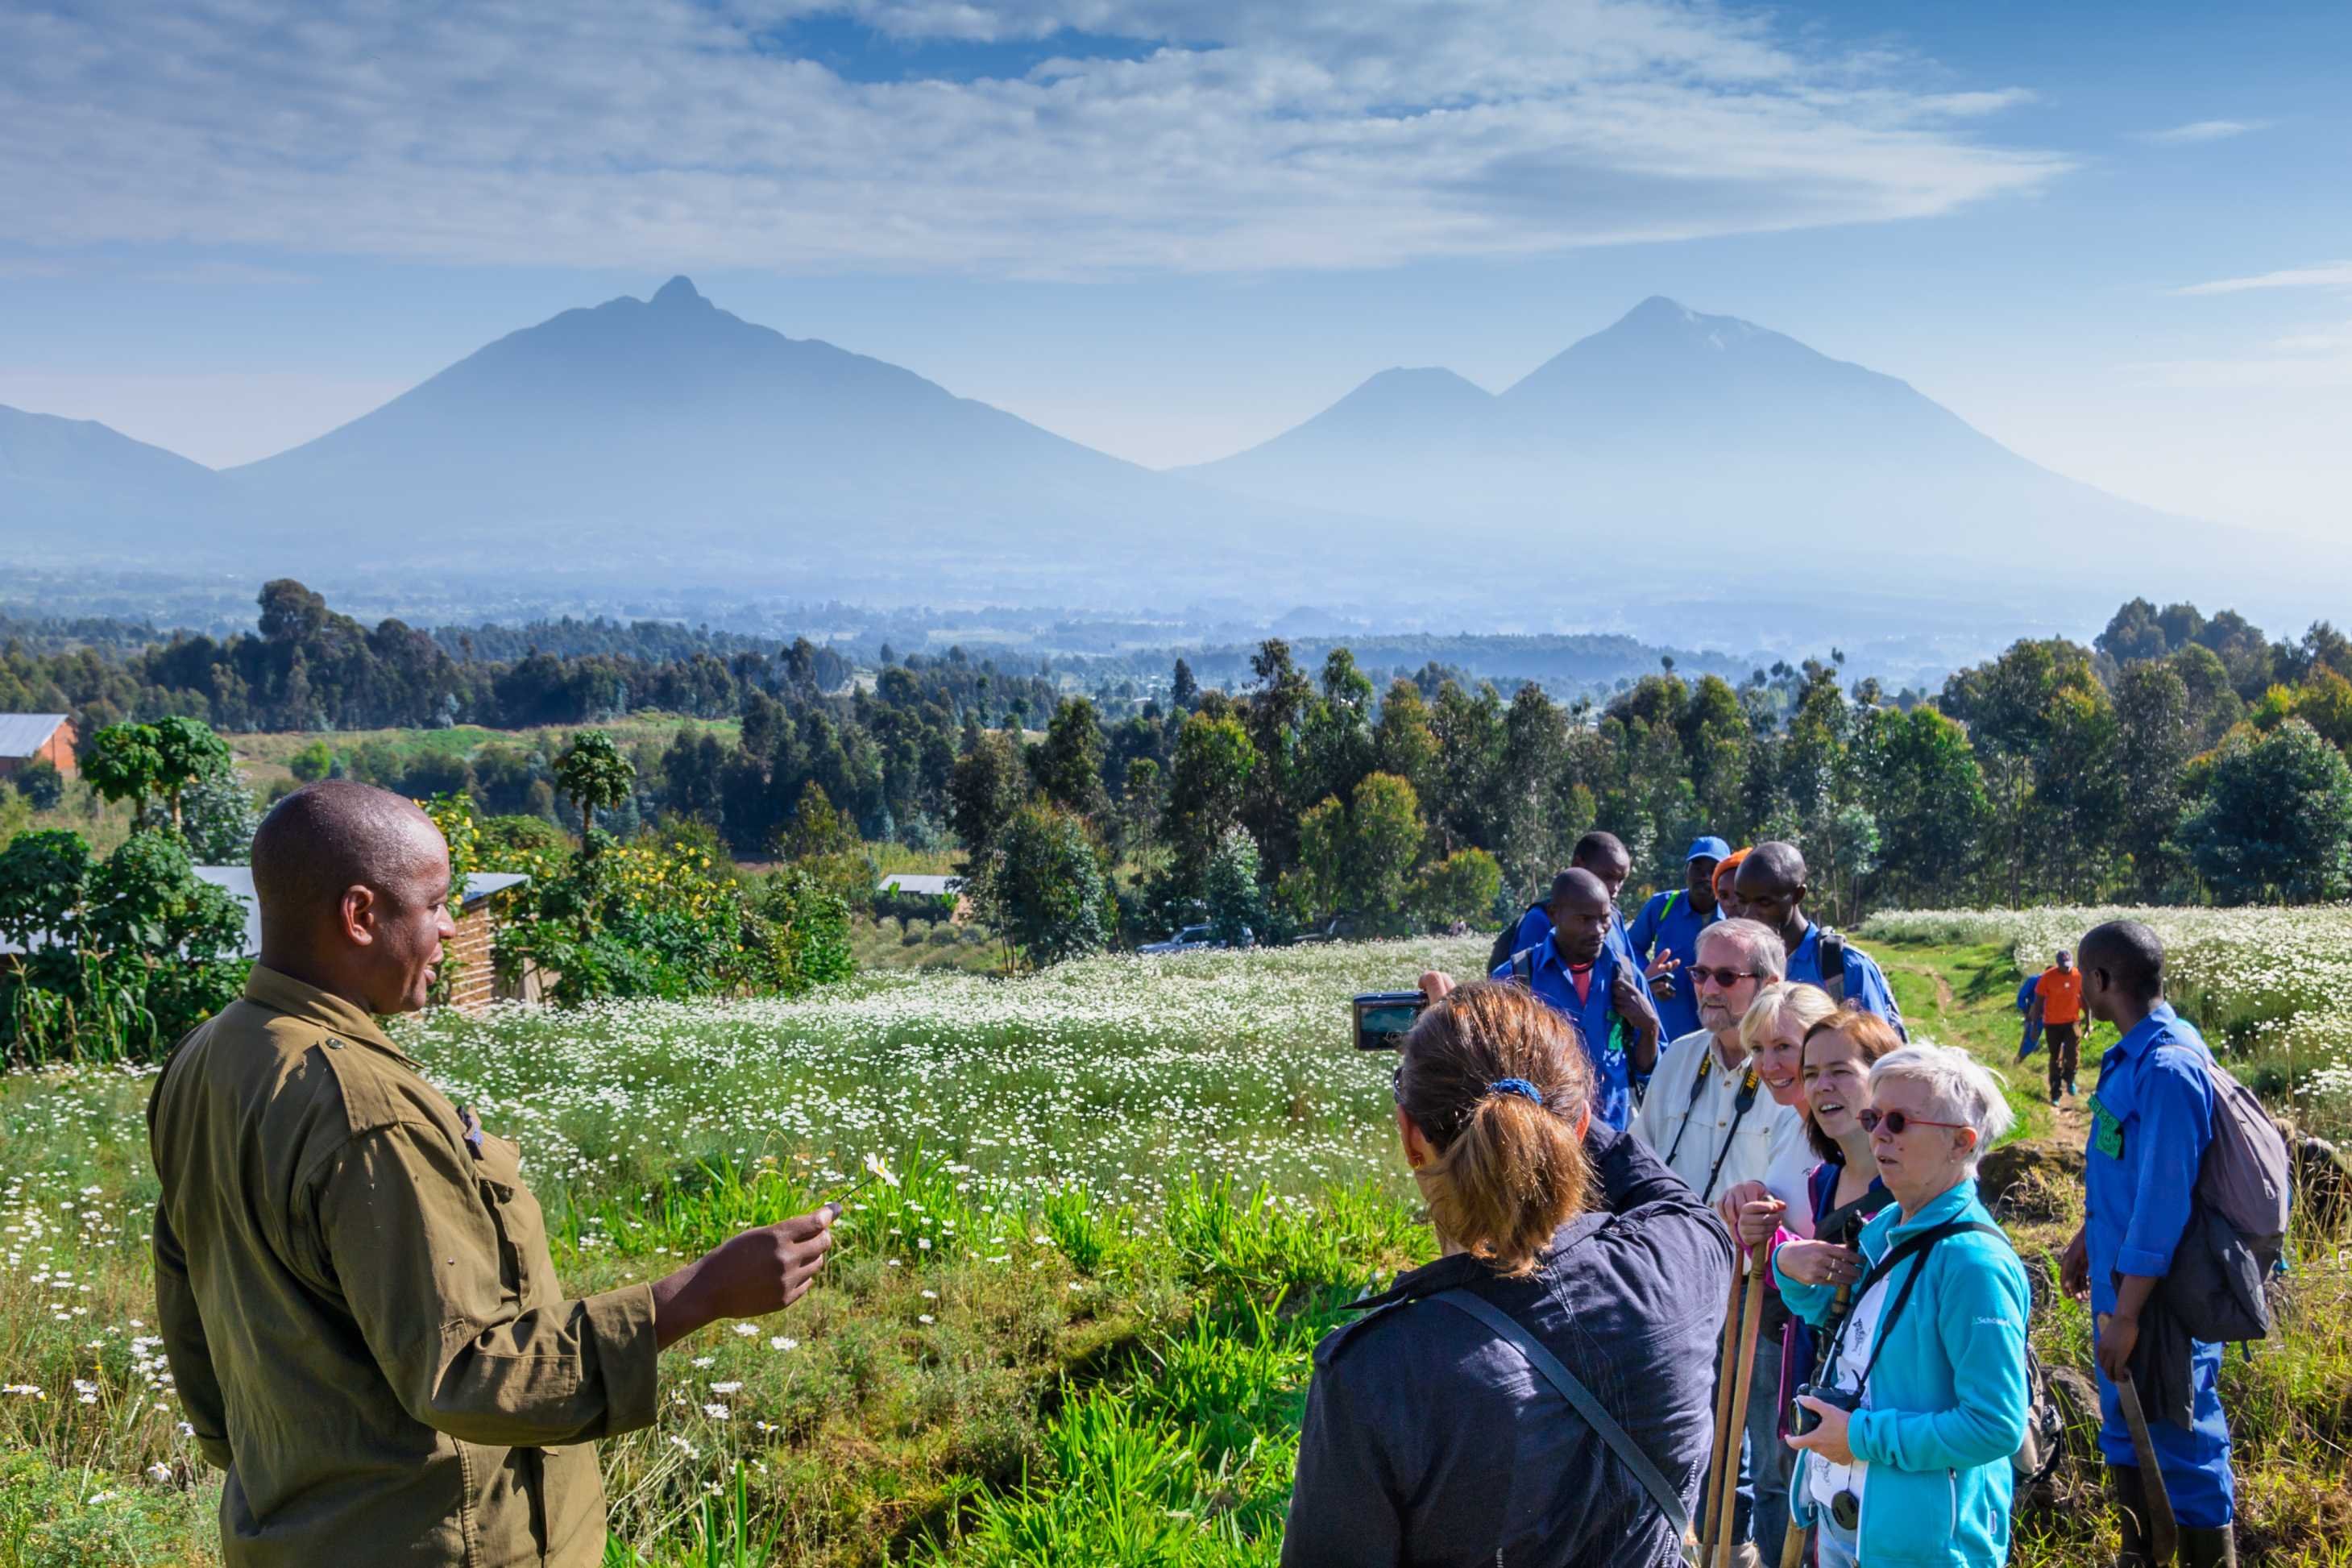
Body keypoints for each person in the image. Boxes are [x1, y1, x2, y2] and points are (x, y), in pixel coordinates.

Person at [147, 782, 840, 1568]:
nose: (450, 925)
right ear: (361, 914)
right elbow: (465, 1372)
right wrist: (702, 1292)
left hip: (291, 1531)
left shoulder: (208, 1057)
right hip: (437, 1540)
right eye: (435, 902)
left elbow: (185, 1297)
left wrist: (263, 1470)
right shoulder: (364, 1109)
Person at [1283, 980, 1733, 1568]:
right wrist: (1532, 1096)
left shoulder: (1378, 1373)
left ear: (1409, 1138)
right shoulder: (1685, 1260)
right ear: (1578, 1127)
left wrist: (1485, 1080)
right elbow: (1660, 1190)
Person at [1780, 1045, 2031, 1568]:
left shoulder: (1972, 1264)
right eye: (1872, 1118)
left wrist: (1858, 1437)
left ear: (1960, 1144)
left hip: (1923, 1545)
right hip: (1850, 1525)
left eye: (1898, 1121)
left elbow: (1994, 1427)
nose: (1877, 1135)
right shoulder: (1886, 1230)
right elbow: (1828, 1321)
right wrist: (1790, 1267)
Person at [2060, 920, 2240, 1567]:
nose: (2079, 991)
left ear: (2102, 981)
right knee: (2124, 1430)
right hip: (2120, 1285)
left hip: (2157, 1298)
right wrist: (2088, 1234)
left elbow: (2165, 1204)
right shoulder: (2136, 1053)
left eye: (2084, 979)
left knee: (2179, 1438)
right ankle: (2141, 1552)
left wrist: (2129, 1314)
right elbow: (2134, 1169)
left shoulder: (2167, 1067)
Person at [1724, 1003, 1902, 1565]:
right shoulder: (1824, 1179)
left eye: (1840, 1072)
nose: (1820, 1087)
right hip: (1822, 1390)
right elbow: (1817, 1300)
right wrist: (1779, 1258)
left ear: (1882, 1074)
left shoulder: (1909, 1182)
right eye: (1812, 1074)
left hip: (1888, 1414)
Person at [1698, 978, 1837, 1563]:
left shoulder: (1842, 1127)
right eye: (1758, 1049)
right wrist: (1751, 1200)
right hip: (1778, 1320)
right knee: (1775, 1467)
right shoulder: (1797, 1123)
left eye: (1784, 1046)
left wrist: (1778, 1247)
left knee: (1797, 1472)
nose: (1770, 1064)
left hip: (1816, 1334)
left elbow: (1836, 1238)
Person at [1460, 868, 1663, 1130]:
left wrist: (1649, 1028)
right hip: (1542, 1139)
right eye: (1585, 919)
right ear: (1555, 915)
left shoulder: (1626, 975)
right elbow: (1487, 1067)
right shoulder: (1516, 979)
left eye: (1605, 918)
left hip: (1613, 1139)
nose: (1598, 930)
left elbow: (1648, 1072)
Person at [1732, 842, 1904, 1035]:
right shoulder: (1741, 965)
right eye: (1742, 901)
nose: (1749, 915)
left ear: (1798, 895)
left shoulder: (1847, 967)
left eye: (1764, 902)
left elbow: (1876, 1054)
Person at [1627, 836, 1730, 1042]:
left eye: (1713, 870)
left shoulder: (1733, 914)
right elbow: (1631, 948)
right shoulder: (1662, 906)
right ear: (1686, 872)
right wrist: (1648, 977)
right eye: (1698, 869)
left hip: (1718, 1034)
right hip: (1668, 1031)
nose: (1705, 876)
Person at [1498, 832, 1645, 976]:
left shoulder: (1615, 919)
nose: (1615, 888)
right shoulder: (1540, 919)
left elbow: (1628, 976)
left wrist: (1649, 984)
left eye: (1621, 880)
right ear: (1578, 864)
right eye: (1607, 876)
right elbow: (1522, 981)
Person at [2034, 948, 2085, 1103]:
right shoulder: (2047, 977)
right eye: (2064, 965)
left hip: (2072, 1021)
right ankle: (2055, 1092)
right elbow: (2038, 1002)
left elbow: (2085, 999)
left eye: (2069, 965)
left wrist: (2089, 1021)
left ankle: (2070, 1078)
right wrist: (2036, 1025)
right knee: (2055, 1057)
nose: (2067, 968)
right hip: (2052, 1023)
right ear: (2057, 964)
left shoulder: (2078, 975)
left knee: (2073, 1053)